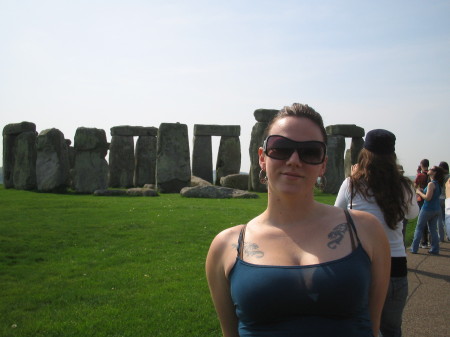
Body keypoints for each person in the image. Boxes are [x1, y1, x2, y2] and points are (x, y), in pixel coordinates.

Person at [206, 103, 390, 337]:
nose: (294, 160)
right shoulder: (226, 246)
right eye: (280, 148)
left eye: (310, 152)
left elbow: (373, 329)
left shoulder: (366, 229)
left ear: (323, 164)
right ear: (262, 158)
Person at [335, 129, 419, 337]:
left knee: (359, 326)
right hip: (395, 263)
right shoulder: (404, 186)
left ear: (365, 153)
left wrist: (352, 178)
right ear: (392, 156)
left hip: (362, 261)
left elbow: (337, 215)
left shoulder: (352, 184)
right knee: (391, 328)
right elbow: (412, 213)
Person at [410, 165, 445, 255]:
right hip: (436, 209)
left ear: (435, 173)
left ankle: (414, 249)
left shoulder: (431, 184)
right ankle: (435, 249)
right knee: (433, 229)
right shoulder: (438, 184)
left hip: (427, 209)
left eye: (431, 169)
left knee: (419, 228)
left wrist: (419, 192)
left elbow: (428, 198)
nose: (429, 170)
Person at [414, 159, 430, 248]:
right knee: (430, 221)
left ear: (421, 165)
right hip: (430, 198)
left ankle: (423, 241)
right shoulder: (431, 174)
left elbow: (415, 185)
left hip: (421, 198)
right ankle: (429, 241)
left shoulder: (420, 175)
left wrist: (418, 173)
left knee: (421, 221)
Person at [438, 161, 449, 241]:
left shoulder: (439, 177)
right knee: (447, 218)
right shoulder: (448, 177)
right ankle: (448, 235)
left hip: (439, 199)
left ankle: (441, 237)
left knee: (440, 219)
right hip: (447, 199)